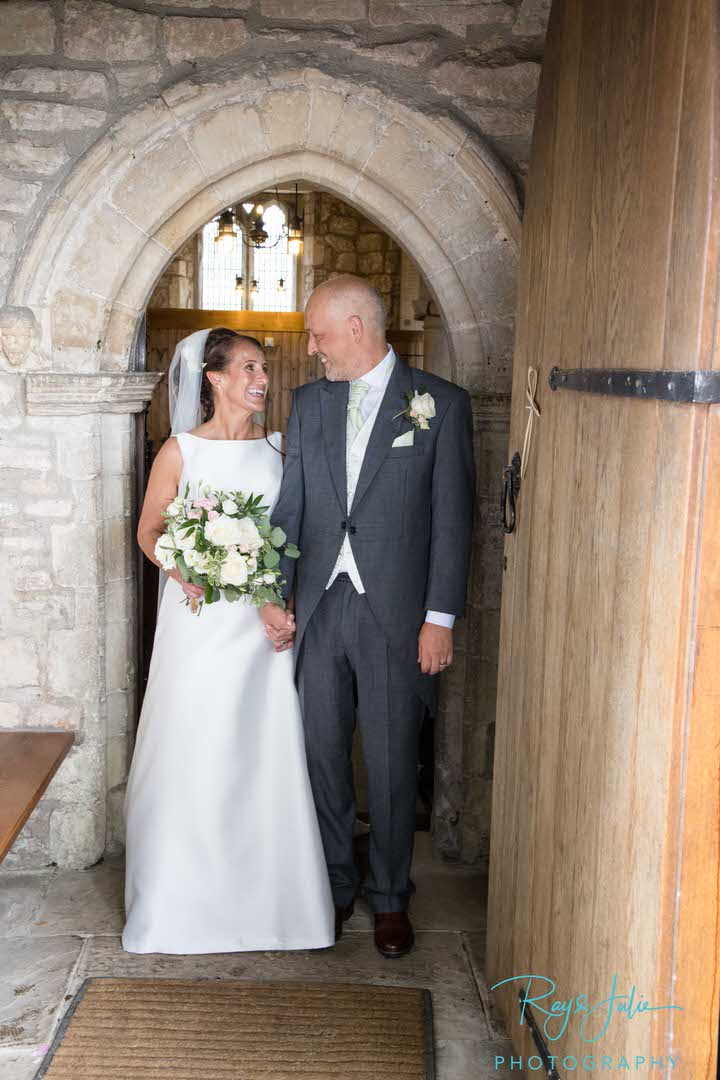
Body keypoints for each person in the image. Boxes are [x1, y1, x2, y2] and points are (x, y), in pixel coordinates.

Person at [265, 276, 475, 959]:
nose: (313, 347)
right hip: (319, 608)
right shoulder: (308, 404)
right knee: (322, 757)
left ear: (357, 326)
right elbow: (289, 509)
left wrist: (438, 618)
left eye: (319, 334)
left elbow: (452, 522)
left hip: (399, 614)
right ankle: (332, 883)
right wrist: (275, 591)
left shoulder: (439, 406)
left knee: (388, 764)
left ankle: (389, 897)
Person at [122, 327, 334, 955]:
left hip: (263, 630)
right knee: (197, 744)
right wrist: (189, 567)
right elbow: (149, 531)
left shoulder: (280, 450)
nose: (260, 379)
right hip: (201, 624)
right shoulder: (181, 451)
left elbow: (301, 531)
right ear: (212, 378)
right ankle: (178, 905)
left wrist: (281, 603)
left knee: (260, 749)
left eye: (263, 368)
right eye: (247, 367)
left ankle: (274, 907)